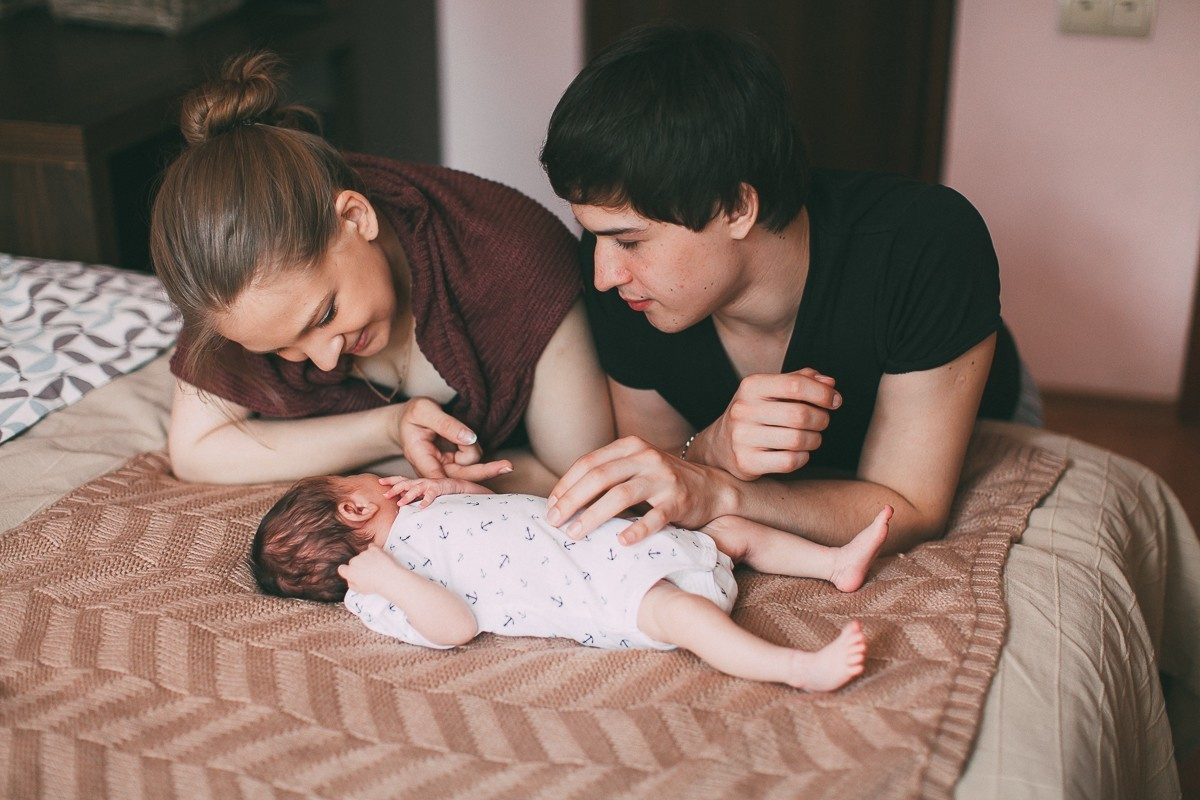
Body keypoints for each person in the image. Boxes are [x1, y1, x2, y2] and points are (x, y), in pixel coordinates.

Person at [538, 23, 1041, 553]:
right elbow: (661, 462)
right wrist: (710, 446)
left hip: (978, 405)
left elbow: (910, 507)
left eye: (631, 241)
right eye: (593, 235)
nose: (601, 274)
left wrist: (722, 493)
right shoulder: (624, 282)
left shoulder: (924, 242)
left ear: (735, 208)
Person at [149, 51, 612, 491]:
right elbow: (194, 452)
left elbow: (580, 473)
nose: (327, 361)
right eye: (280, 350)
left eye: (326, 315)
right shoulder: (231, 278)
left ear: (356, 218)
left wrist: (452, 477)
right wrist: (387, 432)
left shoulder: (512, 255)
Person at [252, 471, 893, 691]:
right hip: (609, 595)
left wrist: (451, 488)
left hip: (628, 543)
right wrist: (387, 577)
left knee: (732, 528)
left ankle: (832, 562)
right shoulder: (376, 597)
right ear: (356, 508)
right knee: (688, 619)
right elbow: (454, 627)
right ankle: (793, 667)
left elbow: (496, 508)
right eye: (358, 481)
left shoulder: (422, 504)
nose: (376, 478)